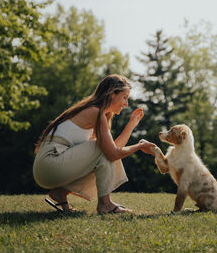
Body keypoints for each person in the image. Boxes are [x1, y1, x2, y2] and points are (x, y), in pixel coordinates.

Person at [33, 74, 156, 214]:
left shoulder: (96, 113)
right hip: (50, 164)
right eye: (124, 97)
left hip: (49, 167)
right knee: (101, 148)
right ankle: (105, 204)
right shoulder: (95, 112)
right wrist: (139, 146)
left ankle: (60, 193)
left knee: (103, 152)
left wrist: (131, 125)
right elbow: (112, 153)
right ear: (112, 94)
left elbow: (111, 151)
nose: (126, 104)